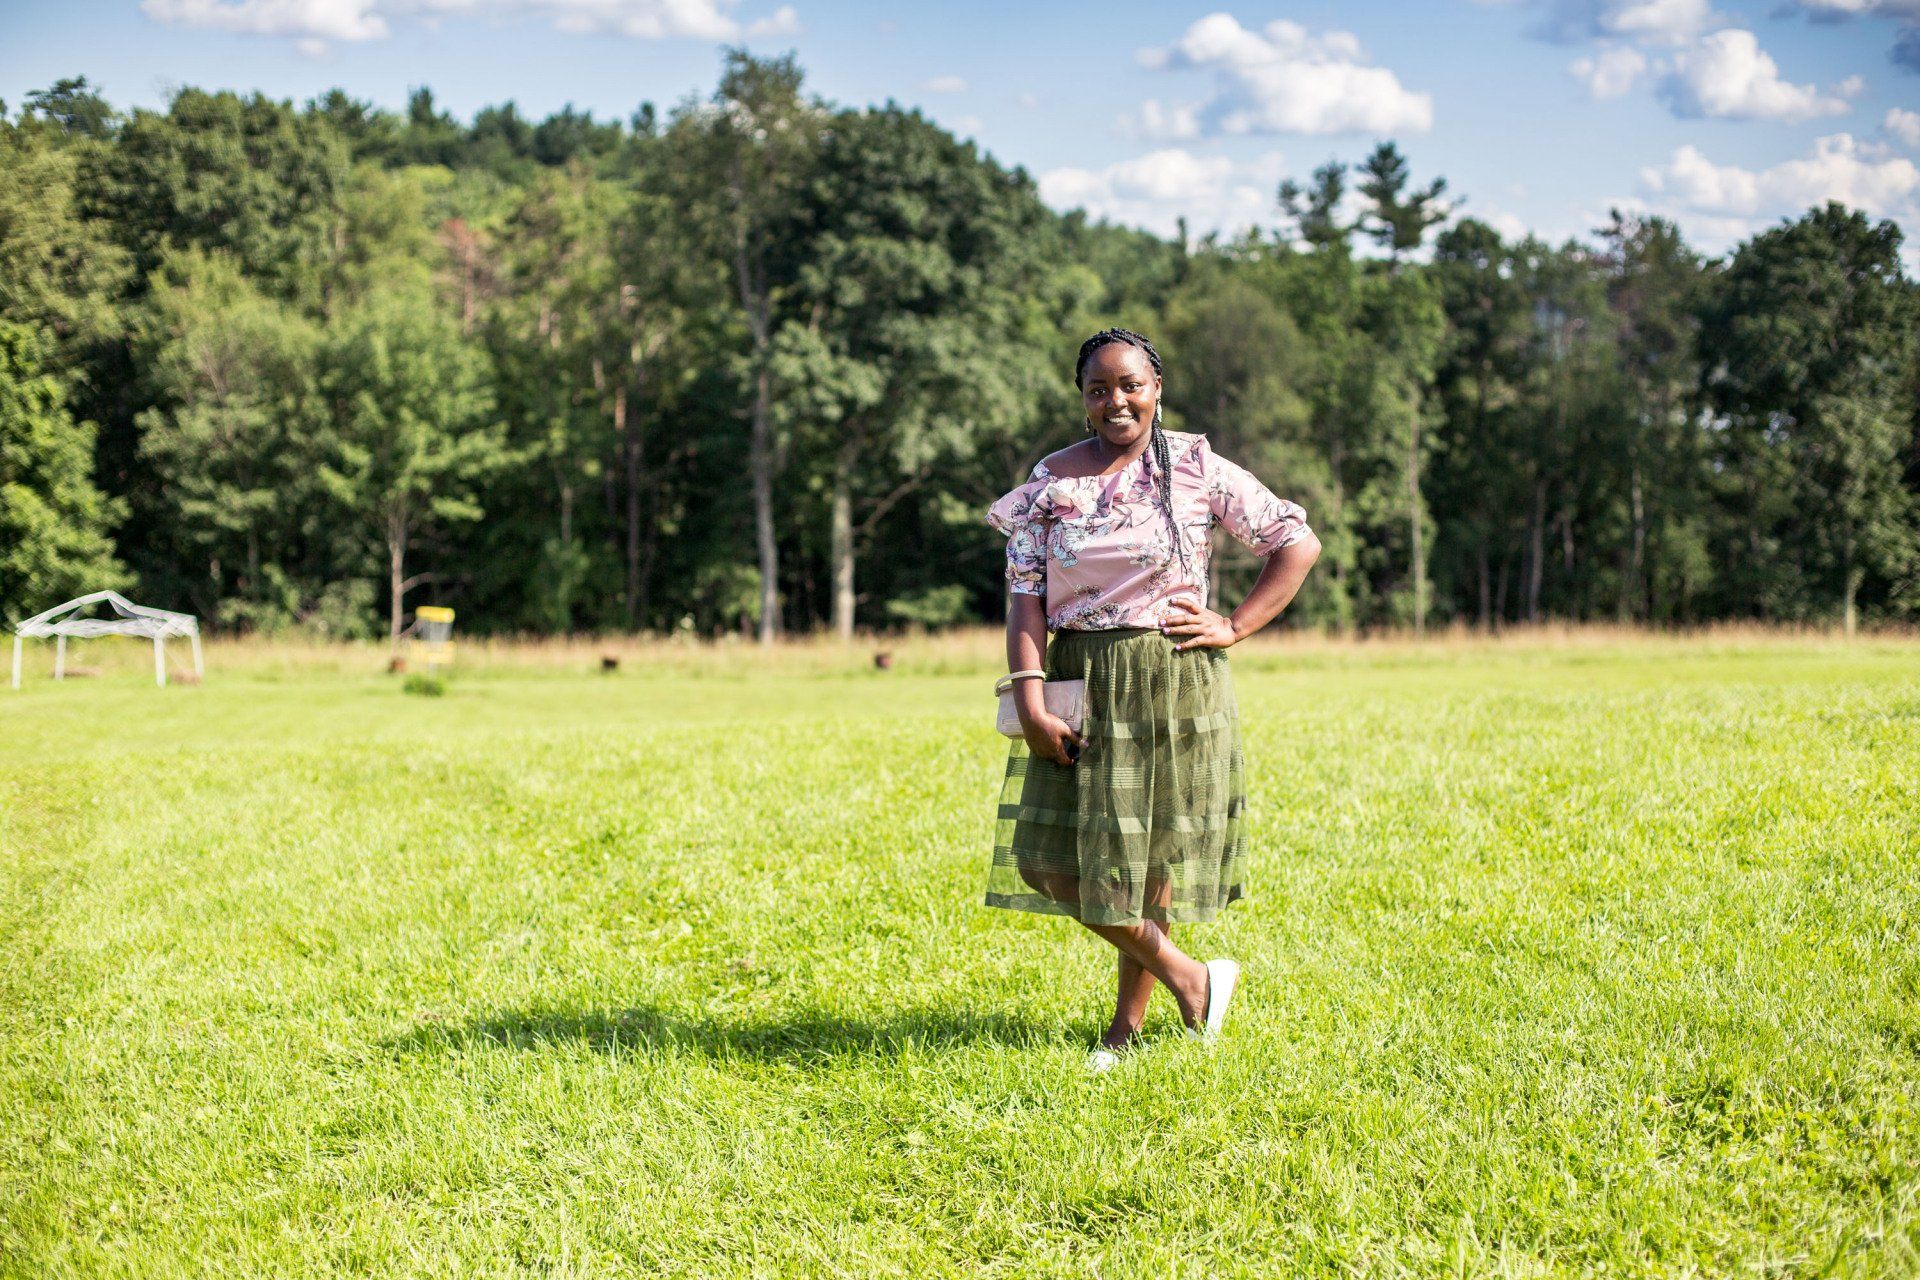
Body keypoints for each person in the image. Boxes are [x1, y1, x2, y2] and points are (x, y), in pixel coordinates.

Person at [985, 327, 1321, 1073]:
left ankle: (1123, 1033)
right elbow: (1025, 602)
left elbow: (1295, 542)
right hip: (1078, 683)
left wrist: (1234, 624)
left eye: (1130, 384)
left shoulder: (1196, 468)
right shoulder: (1050, 483)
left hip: (1172, 676)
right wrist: (1031, 699)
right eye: (1098, 389)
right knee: (1049, 864)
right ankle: (1192, 976)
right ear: (1082, 400)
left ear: (1157, 389)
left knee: (1148, 863)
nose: (1116, 400)